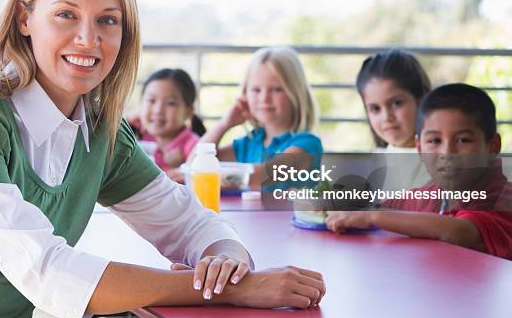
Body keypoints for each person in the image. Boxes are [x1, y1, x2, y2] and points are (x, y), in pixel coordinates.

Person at [0, 0, 325, 317]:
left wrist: (226, 260)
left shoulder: (102, 136)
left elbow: (190, 225)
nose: (89, 39)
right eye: (66, 14)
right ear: (24, 19)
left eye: (107, 20)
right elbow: (50, 275)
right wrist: (229, 292)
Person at [326, 84, 512, 259]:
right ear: (420, 148)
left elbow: (458, 231)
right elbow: (382, 208)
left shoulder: (503, 198)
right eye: (434, 141)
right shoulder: (430, 196)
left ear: (492, 146)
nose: (447, 153)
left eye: (463, 140)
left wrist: (370, 217)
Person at [199, 47, 323, 190]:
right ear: (245, 95)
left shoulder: (307, 145)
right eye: (256, 90)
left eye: (276, 89)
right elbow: (196, 162)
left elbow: (263, 175)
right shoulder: (247, 144)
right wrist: (224, 124)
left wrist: (205, 176)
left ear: (295, 93)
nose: (264, 98)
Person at [356, 48, 432, 189]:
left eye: (397, 103)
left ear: (422, 99)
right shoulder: (379, 158)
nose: (386, 117)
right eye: (375, 109)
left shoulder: (436, 163)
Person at [130, 68, 205, 183]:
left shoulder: (193, 145)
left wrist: (183, 167)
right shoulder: (134, 135)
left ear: (188, 112)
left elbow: (201, 178)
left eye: (171, 103)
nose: (158, 110)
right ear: (140, 105)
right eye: (151, 100)